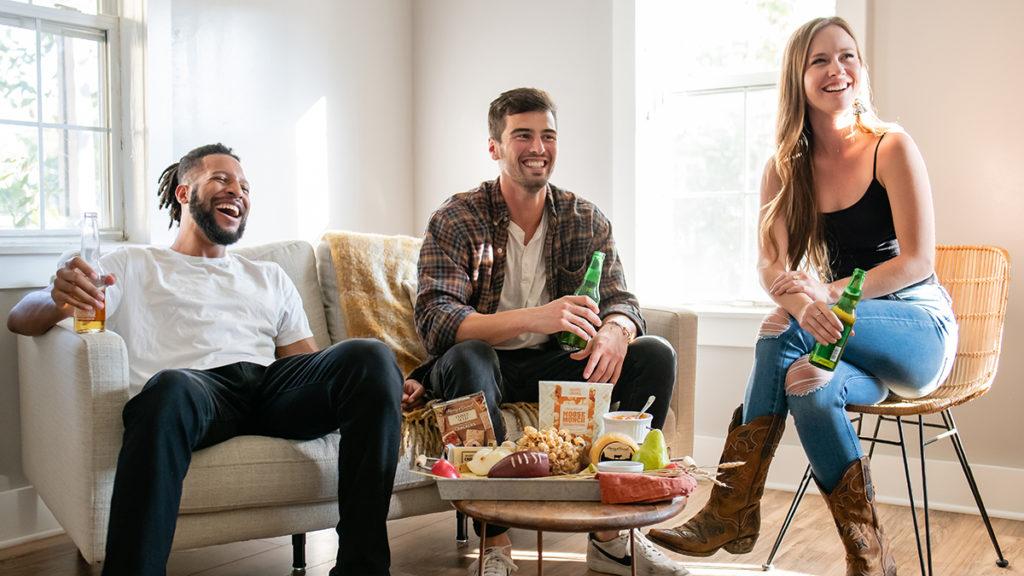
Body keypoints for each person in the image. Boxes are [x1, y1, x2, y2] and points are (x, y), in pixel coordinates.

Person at [647, 17, 957, 576]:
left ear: (861, 68)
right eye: (820, 60)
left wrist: (823, 294)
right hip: (841, 336)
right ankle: (870, 558)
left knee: (780, 331)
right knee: (806, 384)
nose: (837, 70)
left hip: (916, 329)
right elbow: (771, 264)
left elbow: (917, 261)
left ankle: (729, 507)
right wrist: (799, 302)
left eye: (847, 56)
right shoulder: (784, 167)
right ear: (798, 76)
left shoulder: (891, 146)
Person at [7, 144, 405, 576]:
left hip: (268, 389)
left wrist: (380, 382)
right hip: (195, 394)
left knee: (372, 356)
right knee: (170, 386)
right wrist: (55, 296)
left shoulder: (269, 276)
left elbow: (308, 365)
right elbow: (19, 318)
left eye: (245, 186)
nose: (237, 190)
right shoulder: (131, 263)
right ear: (183, 193)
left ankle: (361, 570)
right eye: (222, 179)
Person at [408, 88, 685, 576]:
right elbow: (437, 321)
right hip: (482, 364)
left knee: (655, 354)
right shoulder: (456, 218)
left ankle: (609, 537)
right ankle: (494, 542)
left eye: (548, 136)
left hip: (558, 364)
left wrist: (616, 331)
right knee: (469, 356)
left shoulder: (584, 218)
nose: (538, 147)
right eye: (523, 135)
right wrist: (538, 315)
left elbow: (622, 300)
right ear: (495, 147)